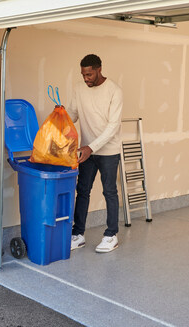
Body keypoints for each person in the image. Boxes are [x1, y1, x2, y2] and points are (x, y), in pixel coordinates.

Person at [67, 54, 123, 253]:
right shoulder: (79, 89)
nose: (86, 79)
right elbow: (72, 114)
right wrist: (60, 116)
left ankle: (111, 235)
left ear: (99, 69)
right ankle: (78, 234)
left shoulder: (114, 91)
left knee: (109, 192)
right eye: (83, 75)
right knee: (82, 191)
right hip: (86, 151)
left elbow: (113, 127)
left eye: (89, 74)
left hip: (108, 151)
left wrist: (91, 147)